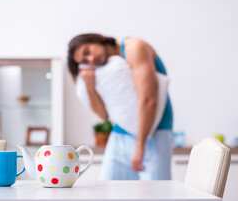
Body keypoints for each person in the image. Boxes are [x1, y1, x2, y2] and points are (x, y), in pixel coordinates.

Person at [67, 33, 173, 180]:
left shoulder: (134, 48)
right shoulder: (106, 67)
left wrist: (140, 145)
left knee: (157, 197)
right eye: (85, 61)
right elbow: (104, 115)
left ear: (95, 39)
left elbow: (149, 100)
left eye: (87, 51)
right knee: (108, 195)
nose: (91, 59)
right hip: (119, 133)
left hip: (154, 134)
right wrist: (90, 88)